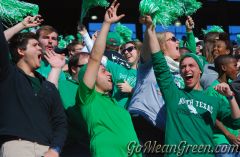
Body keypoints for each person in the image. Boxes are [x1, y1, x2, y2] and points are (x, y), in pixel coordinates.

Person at [144, 15, 240, 157]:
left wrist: (230, 97)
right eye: (183, 67)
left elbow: (236, 122)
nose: (186, 69)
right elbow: (159, 62)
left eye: (191, 66)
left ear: (200, 70)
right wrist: (150, 29)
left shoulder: (213, 99)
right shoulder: (173, 94)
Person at [76, 1, 141, 156]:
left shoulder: (118, 106)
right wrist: (106, 24)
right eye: (103, 70)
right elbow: (95, 58)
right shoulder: (88, 99)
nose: (109, 73)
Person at [0, 20, 67, 157]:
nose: (40, 48)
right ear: (20, 51)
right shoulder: (8, 74)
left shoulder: (48, 87)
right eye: (35, 45)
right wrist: (22, 25)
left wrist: (55, 149)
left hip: (47, 150)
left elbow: (60, 122)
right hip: (17, 147)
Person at [205, 55, 240, 156]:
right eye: (234, 65)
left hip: (236, 140)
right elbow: (211, 117)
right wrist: (229, 135)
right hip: (222, 140)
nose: (237, 67)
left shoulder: (233, 86)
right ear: (224, 68)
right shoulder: (212, 90)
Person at [59, 53, 91, 157]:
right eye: (87, 66)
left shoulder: (98, 89)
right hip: (75, 146)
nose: (93, 69)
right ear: (73, 69)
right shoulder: (63, 86)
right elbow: (78, 117)